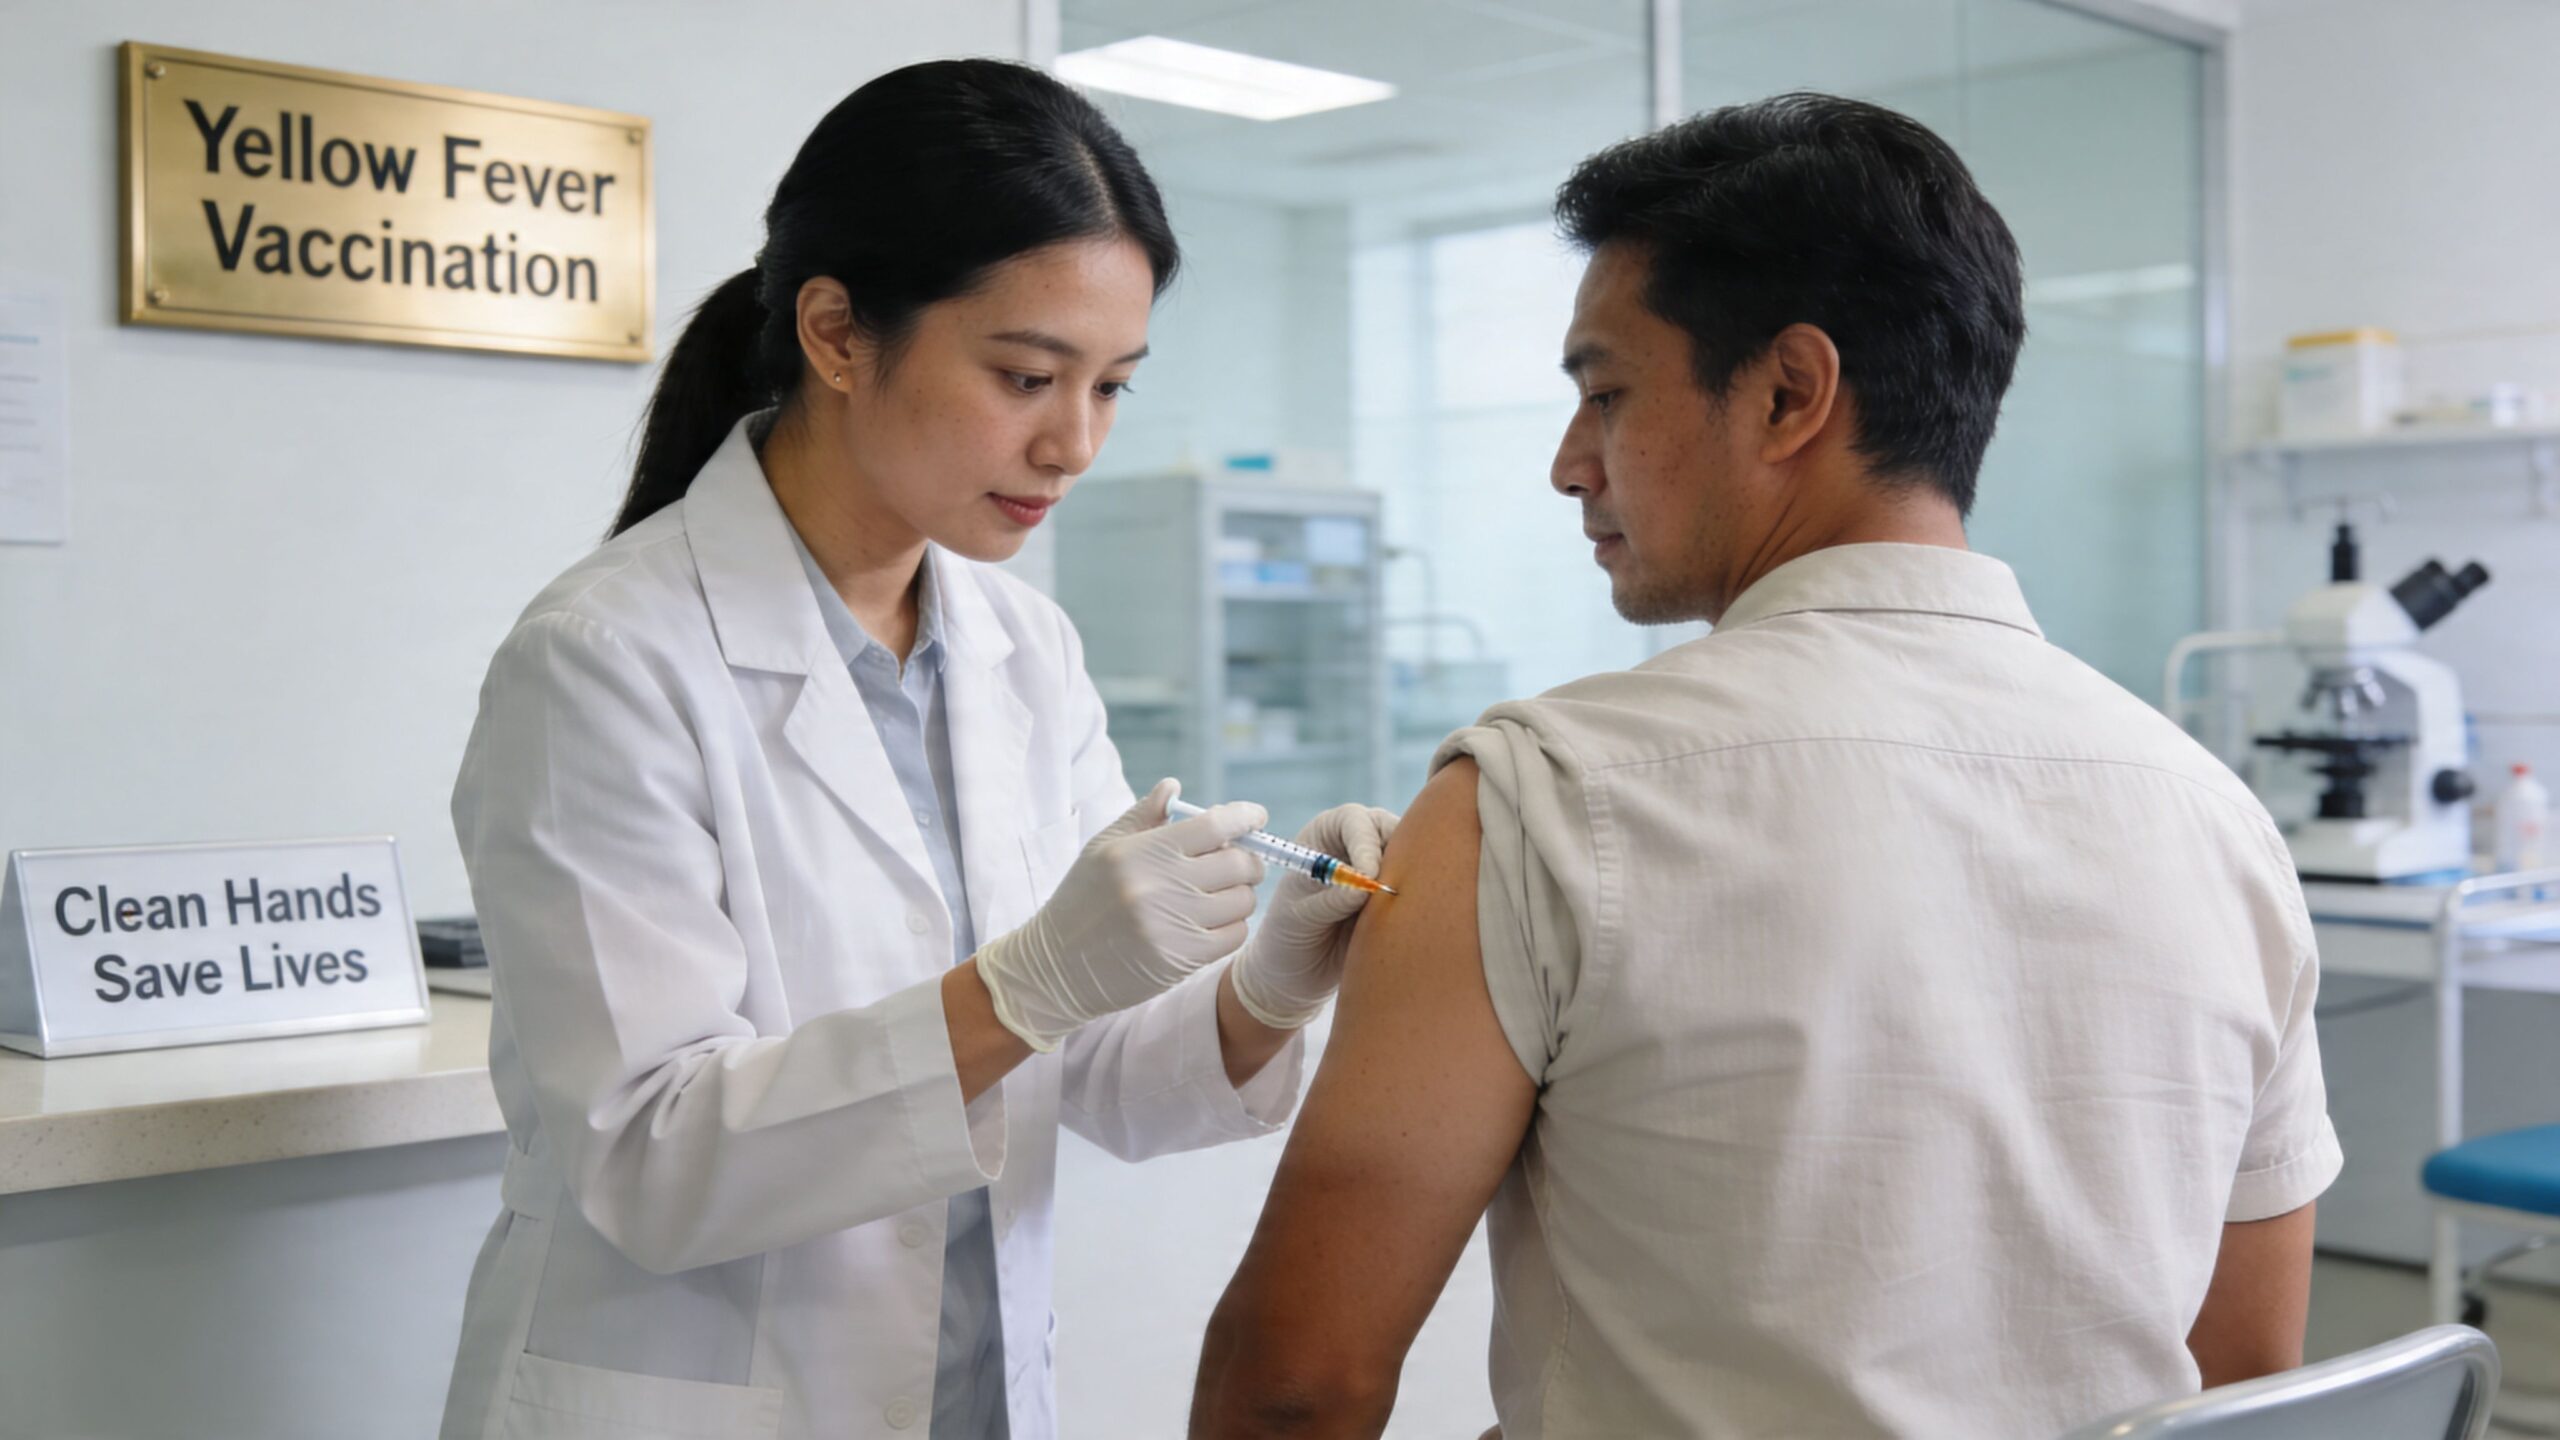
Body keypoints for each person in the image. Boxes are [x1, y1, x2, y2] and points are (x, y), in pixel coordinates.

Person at [1190, 92, 2338, 1439]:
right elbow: (2249, 1365)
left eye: (1606, 393)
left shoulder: (1538, 803)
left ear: (1790, 392)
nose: (1571, 466)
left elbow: (1296, 1386)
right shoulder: (2214, 818)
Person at [440, 59, 1395, 1440]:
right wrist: (1024, 982)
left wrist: (1270, 978)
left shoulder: (1023, 650)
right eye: (1025, 376)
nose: (1075, 444)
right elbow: (651, 1160)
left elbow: (1108, 1072)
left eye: (1114, 386)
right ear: (836, 332)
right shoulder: (605, 658)